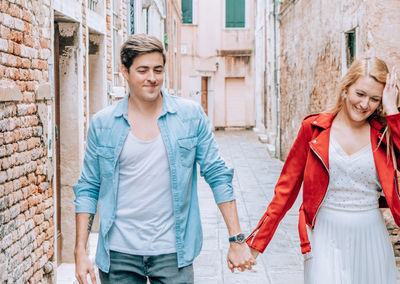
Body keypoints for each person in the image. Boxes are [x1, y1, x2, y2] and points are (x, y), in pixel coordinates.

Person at [72, 34, 255, 284]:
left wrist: (237, 239)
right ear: (124, 72)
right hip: (119, 253)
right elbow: (88, 187)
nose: (152, 78)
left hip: (173, 252)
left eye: (158, 70)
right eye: (143, 70)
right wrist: (80, 251)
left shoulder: (190, 116)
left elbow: (218, 174)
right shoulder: (103, 124)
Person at [246, 57, 400, 283]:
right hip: (324, 236)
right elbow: (285, 192)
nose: (365, 104)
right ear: (346, 88)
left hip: (370, 236)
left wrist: (391, 109)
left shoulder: (384, 135)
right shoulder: (313, 130)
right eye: (360, 94)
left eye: (374, 99)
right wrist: (256, 244)